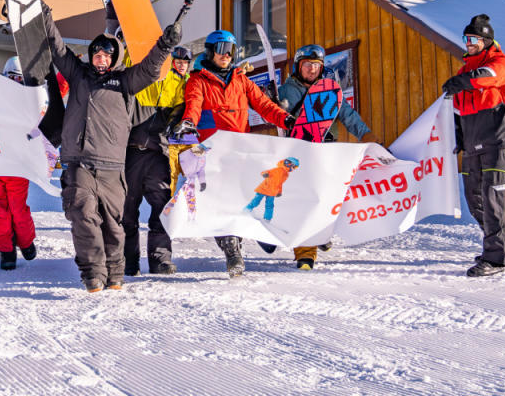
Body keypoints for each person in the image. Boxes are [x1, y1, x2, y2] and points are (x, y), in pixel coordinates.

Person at [41, 3, 179, 292]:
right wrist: (46, 17)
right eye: (96, 53)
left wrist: (165, 44)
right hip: (78, 162)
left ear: (115, 57)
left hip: (113, 166)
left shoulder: (125, 81)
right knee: (82, 215)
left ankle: (115, 271)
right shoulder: (78, 75)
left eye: (106, 54)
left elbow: (151, 69)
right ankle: (92, 272)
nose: (100, 58)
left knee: (113, 224)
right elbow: (58, 48)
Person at [174, 30, 291, 277]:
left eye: (230, 50)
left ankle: (257, 229)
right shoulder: (199, 80)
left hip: (240, 149)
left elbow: (264, 105)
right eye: (220, 49)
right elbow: (193, 105)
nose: (225, 54)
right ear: (209, 51)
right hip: (214, 152)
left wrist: (285, 119)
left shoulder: (241, 80)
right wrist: (188, 123)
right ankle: (233, 252)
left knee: (252, 193)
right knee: (222, 203)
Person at [441, 14, 505, 277]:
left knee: (492, 199)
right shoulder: (463, 72)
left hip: (499, 142)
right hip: (474, 146)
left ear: (486, 41)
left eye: (473, 39)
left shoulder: (501, 62)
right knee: (474, 198)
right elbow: (457, 109)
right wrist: (457, 132)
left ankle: (495, 259)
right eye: (466, 39)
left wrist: (461, 82)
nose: (468, 43)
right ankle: (504, 248)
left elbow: (488, 76)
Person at [277, 44, 373, 270]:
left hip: (327, 148)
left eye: (316, 66)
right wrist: (276, 104)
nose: (312, 70)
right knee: (304, 200)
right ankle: (305, 253)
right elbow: (273, 112)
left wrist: (368, 136)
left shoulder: (330, 89)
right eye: (307, 65)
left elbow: (348, 115)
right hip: (300, 149)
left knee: (327, 198)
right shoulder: (286, 90)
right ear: (298, 67)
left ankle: (321, 233)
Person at [123, 46, 192, 277]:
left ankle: (160, 259)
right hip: (132, 150)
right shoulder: (152, 76)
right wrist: (124, 39)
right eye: (178, 59)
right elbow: (130, 62)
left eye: (186, 60)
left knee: (162, 206)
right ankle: (128, 261)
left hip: (159, 153)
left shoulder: (186, 86)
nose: (182, 63)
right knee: (126, 209)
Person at [0, 57, 41, 271]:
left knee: (18, 209)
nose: (14, 83)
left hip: (17, 167)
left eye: (19, 79)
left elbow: (40, 123)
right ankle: (6, 249)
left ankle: (25, 241)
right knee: (0, 211)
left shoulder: (28, 106)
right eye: (11, 78)